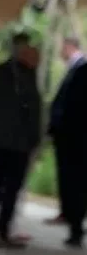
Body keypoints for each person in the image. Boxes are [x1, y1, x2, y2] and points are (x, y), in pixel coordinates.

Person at [0, 33, 42, 248]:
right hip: (18, 143)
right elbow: (33, 112)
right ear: (25, 56)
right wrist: (35, 141)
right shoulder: (26, 77)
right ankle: (2, 229)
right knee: (11, 188)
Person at [46, 36, 86, 227]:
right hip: (68, 135)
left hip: (75, 136)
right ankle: (69, 214)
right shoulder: (75, 69)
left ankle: (74, 216)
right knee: (69, 177)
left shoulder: (80, 70)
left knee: (74, 177)